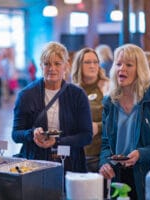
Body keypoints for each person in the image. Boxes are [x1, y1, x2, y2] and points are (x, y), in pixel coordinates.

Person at [99, 44, 150, 199]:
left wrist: (141, 154)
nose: (122, 68)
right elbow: (105, 143)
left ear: (140, 69)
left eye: (129, 65)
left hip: (146, 175)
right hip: (118, 176)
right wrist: (105, 162)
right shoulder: (110, 102)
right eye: (118, 64)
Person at [12, 41, 93, 173]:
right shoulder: (26, 95)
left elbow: (86, 136)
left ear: (66, 66)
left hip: (71, 164)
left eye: (57, 63)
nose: (52, 68)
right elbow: (15, 134)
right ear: (40, 66)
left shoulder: (77, 95)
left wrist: (57, 141)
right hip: (35, 164)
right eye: (47, 64)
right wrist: (32, 134)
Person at [71, 47, 109, 172]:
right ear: (79, 65)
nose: (92, 65)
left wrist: (98, 127)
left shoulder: (107, 87)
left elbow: (118, 121)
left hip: (100, 155)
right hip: (76, 154)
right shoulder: (71, 90)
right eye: (87, 62)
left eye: (95, 62)